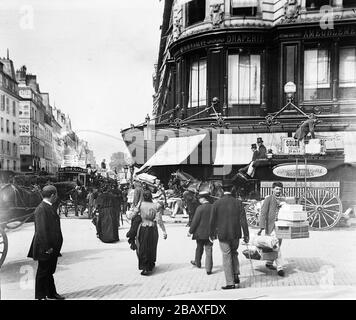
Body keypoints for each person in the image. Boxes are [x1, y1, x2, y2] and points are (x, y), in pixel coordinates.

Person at [27, 185, 65, 300]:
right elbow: (41, 231)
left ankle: (51, 293)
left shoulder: (48, 207)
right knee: (43, 272)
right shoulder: (41, 209)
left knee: (48, 271)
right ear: (53, 195)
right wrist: (47, 247)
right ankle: (40, 296)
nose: (57, 197)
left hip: (51, 247)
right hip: (45, 248)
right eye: (56, 195)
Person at [209, 185, 249, 290]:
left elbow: (212, 220)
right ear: (232, 190)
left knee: (226, 255)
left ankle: (230, 282)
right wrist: (246, 234)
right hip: (235, 233)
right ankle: (236, 275)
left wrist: (211, 234)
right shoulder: (238, 202)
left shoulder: (217, 203)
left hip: (223, 234)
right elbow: (243, 220)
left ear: (222, 190)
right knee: (234, 253)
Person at [135, 190, 167, 275]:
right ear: (151, 197)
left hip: (143, 227)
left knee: (143, 247)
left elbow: (133, 214)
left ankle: (145, 267)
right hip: (153, 228)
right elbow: (159, 220)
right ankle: (151, 264)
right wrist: (164, 231)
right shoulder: (156, 206)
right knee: (152, 246)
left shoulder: (140, 205)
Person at [258, 181, 285, 277]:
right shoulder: (268, 199)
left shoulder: (283, 200)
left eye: (280, 189)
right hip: (271, 227)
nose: (278, 191)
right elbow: (263, 213)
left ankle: (269, 263)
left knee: (276, 246)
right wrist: (261, 227)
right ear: (272, 189)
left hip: (281, 227)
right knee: (276, 246)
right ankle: (280, 268)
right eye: (277, 189)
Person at [188, 191, 213, 275]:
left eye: (200, 198)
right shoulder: (213, 207)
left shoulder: (200, 208)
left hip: (200, 233)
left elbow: (195, 221)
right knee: (209, 250)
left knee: (199, 247)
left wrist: (190, 231)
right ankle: (208, 269)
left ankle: (198, 262)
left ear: (203, 198)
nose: (199, 200)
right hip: (210, 233)